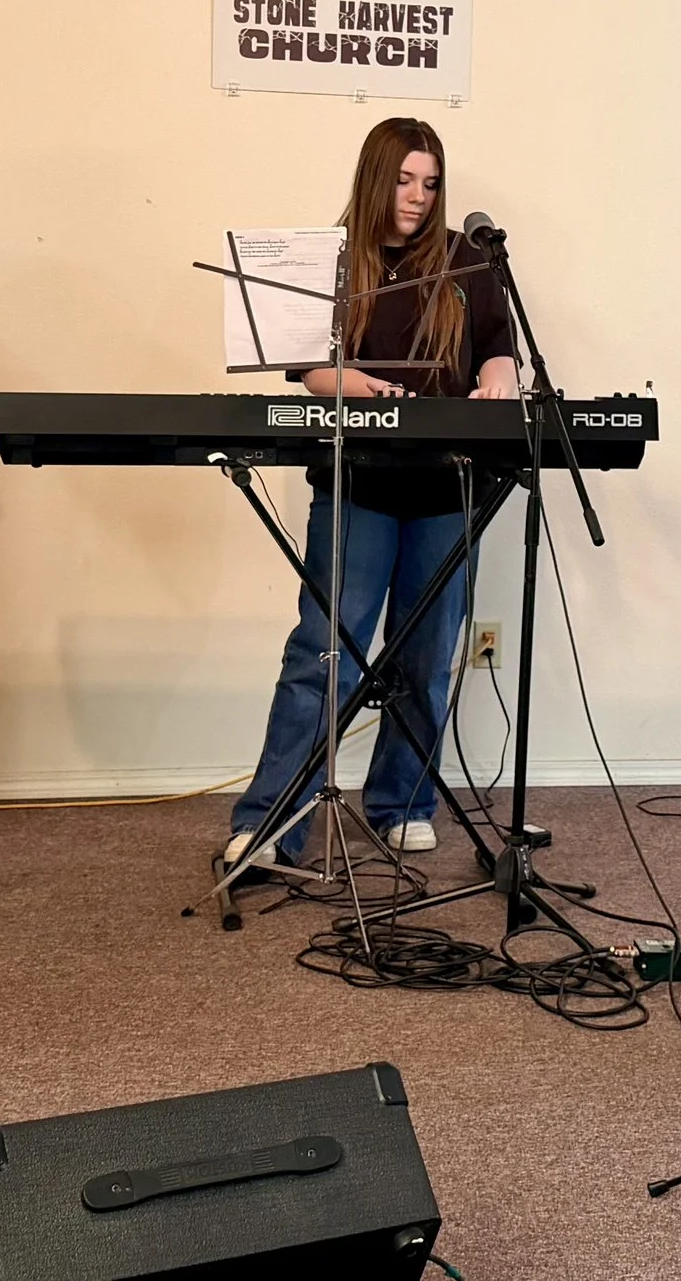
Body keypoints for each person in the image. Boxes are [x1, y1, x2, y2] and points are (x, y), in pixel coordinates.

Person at [223, 117, 519, 869]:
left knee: (425, 658)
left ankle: (404, 801)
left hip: (447, 484)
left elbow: (499, 352)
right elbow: (306, 365)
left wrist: (495, 380)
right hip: (357, 484)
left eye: (430, 182)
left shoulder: (467, 260)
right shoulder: (330, 256)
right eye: (404, 179)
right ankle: (273, 822)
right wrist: (347, 382)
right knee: (324, 652)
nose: (417, 197)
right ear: (375, 175)